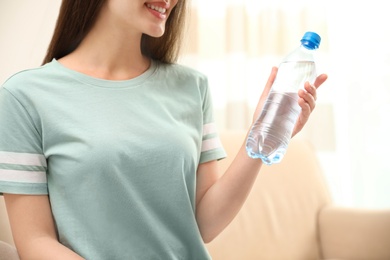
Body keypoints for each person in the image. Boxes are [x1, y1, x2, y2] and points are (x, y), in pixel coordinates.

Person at [0, 0, 328, 259]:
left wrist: (262, 136)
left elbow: (203, 224)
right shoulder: (26, 97)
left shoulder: (192, 87)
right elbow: (35, 241)